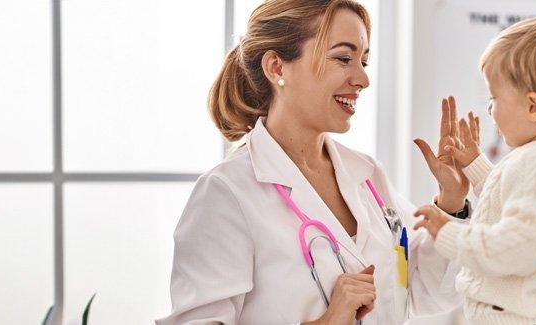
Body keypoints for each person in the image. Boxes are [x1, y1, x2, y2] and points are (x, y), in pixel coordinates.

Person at [156, 0, 470, 324]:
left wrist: (452, 201)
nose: (363, 78)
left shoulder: (367, 175)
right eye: (343, 58)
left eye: (363, 61)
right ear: (277, 68)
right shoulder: (226, 193)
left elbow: (424, 290)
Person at [410, 14, 536, 324]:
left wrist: (450, 233)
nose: (490, 108)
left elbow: (520, 246)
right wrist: (475, 167)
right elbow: (516, 196)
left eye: (494, 97)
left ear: (533, 107)